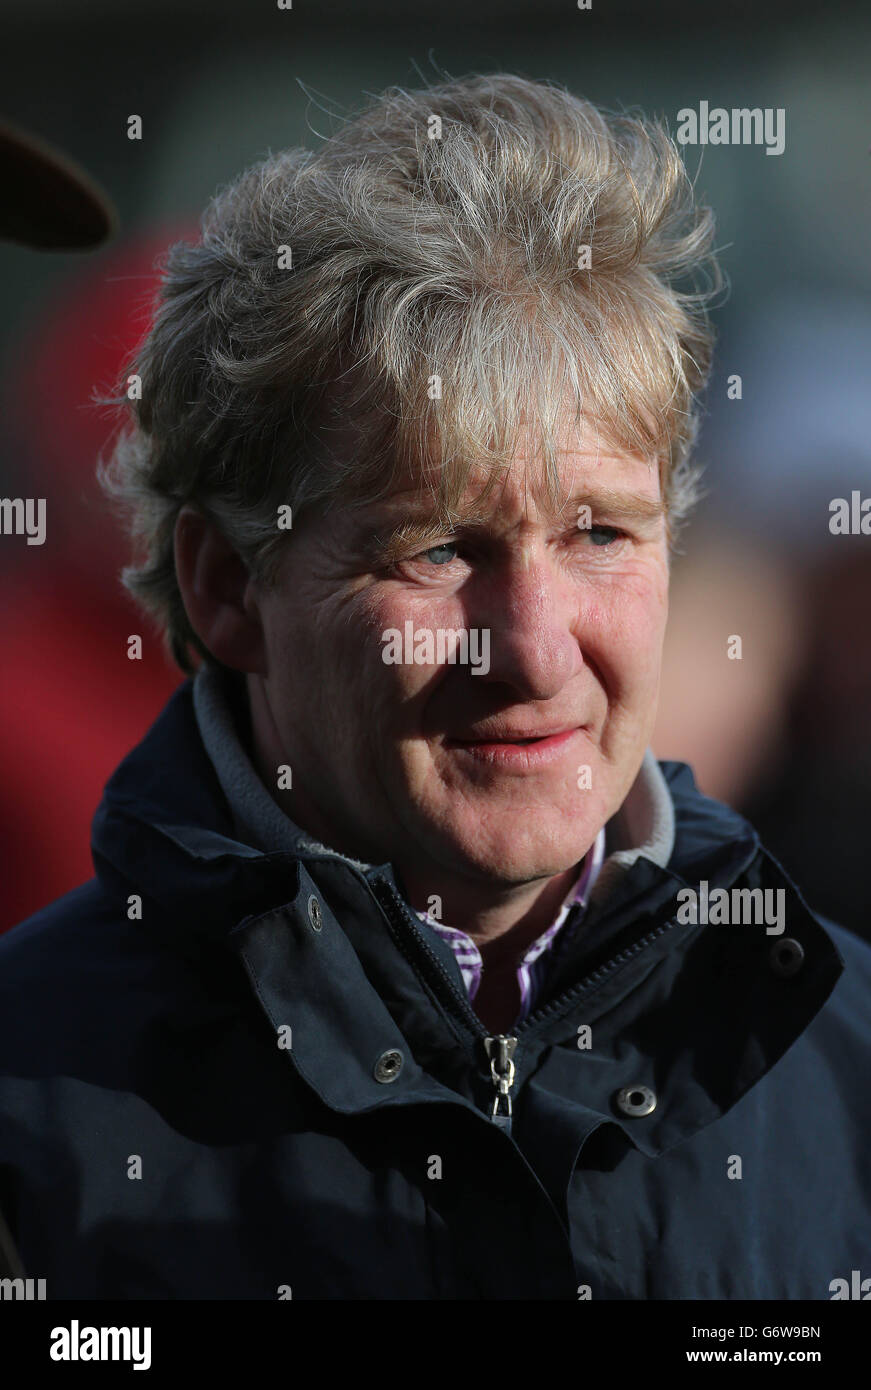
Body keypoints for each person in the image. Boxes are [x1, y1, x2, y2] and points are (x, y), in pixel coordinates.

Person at [0, 73, 868, 1301]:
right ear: (226, 588)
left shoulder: (842, 1060)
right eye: (437, 550)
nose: (534, 648)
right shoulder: (30, 1106)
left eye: (601, 535)